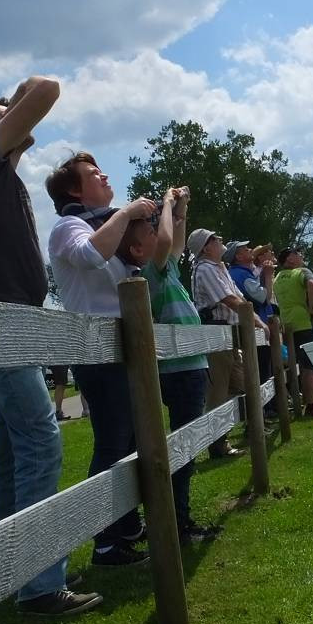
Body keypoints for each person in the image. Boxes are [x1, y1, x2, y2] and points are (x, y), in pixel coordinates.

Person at [0, 76, 101, 616]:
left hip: (8, 319)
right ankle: (39, 586)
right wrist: (14, 106)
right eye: (2, 115)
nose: (20, 121)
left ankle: (5, 572)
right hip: (2, 320)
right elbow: (46, 88)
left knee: (15, 451)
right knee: (41, 444)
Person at [47, 151, 156, 568]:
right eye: (94, 174)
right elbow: (91, 256)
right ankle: (106, 544)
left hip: (120, 345)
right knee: (113, 442)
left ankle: (125, 529)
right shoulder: (68, 226)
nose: (105, 176)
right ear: (74, 190)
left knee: (130, 440)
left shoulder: (104, 223)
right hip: (95, 348)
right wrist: (127, 213)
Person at [116, 188, 221, 544]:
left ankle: (178, 520)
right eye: (147, 231)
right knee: (185, 447)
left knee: (183, 447)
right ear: (137, 249)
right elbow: (165, 242)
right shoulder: (150, 269)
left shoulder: (165, 270)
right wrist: (166, 201)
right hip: (182, 370)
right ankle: (178, 524)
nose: (156, 232)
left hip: (187, 367)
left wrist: (181, 208)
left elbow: (172, 240)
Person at [188, 227, 258, 454]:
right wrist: (260, 323)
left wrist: (256, 320)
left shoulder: (219, 268)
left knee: (240, 384)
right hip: (215, 332)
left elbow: (239, 298)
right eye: (215, 238)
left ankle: (240, 431)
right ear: (206, 247)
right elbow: (229, 299)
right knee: (218, 390)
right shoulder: (206, 269)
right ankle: (218, 444)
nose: (220, 240)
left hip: (228, 332)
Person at [226, 238, 278, 419]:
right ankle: (264, 411)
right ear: (238, 256)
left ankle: (264, 411)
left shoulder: (241, 273)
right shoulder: (241, 275)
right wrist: (269, 275)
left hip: (256, 327)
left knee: (263, 369)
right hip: (256, 328)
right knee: (262, 371)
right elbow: (264, 297)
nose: (250, 250)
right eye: (245, 249)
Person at [273, 247, 313, 416]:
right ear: (289, 259)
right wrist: (312, 308)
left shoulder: (277, 278)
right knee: (310, 367)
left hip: (288, 326)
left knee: (298, 366)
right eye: (296, 253)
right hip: (307, 324)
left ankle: (298, 403)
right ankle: (311, 405)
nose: (300, 255)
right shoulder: (302, 271)